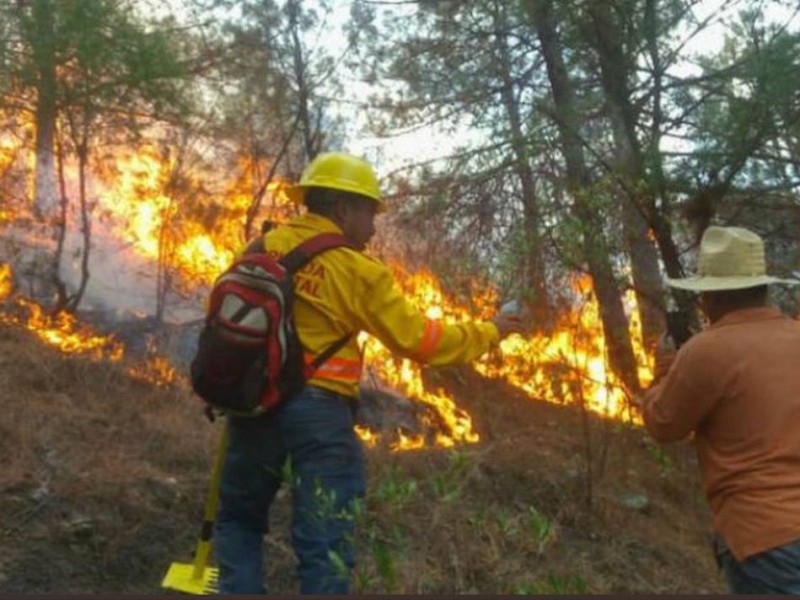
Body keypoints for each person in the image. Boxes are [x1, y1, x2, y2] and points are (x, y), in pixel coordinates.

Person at [213, 151, 525, 594]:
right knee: (325, 539)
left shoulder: (262, 247)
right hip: (317, 415)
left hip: (253, 404)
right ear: (343, 209)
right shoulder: (358, 270)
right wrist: (490, 332)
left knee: (240, 521)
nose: (374, 226)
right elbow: (421, 342)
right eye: (369, 212)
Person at [639, 225, 800, 594]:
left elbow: (664, 424)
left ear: (711, 298)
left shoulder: (707, 350)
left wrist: (662, 377)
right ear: (763, 289)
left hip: (764, 539)